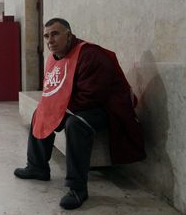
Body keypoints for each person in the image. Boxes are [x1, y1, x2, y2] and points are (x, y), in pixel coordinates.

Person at [14, 18, 146, 210]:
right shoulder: (55, 57)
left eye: (55, 34)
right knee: (40, 112)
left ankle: (77, 188)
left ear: (69, 34)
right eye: (46, 36)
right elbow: (53, 91)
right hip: (79, 104)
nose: (50, 40)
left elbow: (92, 97)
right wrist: (50, 109)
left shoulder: (90, 54)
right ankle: (37, 166)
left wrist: (58, 111)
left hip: (108, 109)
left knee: (76, 124)